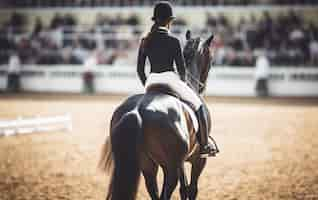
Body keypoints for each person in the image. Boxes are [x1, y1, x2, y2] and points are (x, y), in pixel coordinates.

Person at [137, 1, 215, 157]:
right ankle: (205, 145)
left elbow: (140, 70)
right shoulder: (173, 41)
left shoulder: (145, 40)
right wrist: (182, 83)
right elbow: (182, 70)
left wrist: (149, 84)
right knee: (199, 105)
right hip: (170, 81)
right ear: (169, 21)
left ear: (155, 19)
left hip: (151, 82)